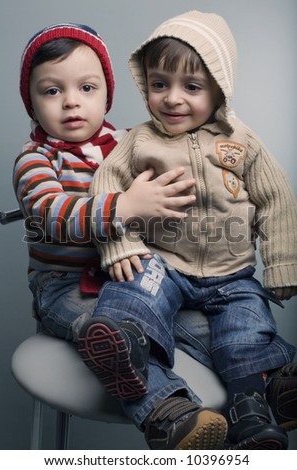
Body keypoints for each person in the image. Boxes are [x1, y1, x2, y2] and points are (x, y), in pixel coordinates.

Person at [13, 22, 230, 450]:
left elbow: (177, 185)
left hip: (137, 278)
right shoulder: (36, 158)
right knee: (110, 334)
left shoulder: (130, 142)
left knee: (210, 323)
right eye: (52, 91)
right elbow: (49, 213)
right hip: (66, 287)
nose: (72, 101)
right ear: (32, 103)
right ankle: (167, 412)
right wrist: (125, 206)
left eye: (87, 88)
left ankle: (267, 382)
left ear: (107, 94)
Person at [86, 11, 297, 450]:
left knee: (245, 330)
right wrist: (120, 243)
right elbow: (105, 184)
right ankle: (122, 341)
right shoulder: (141, 140)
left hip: (233, 275)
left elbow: (276, 198)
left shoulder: (241, 140)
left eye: (192, 87)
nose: (172, 99)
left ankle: (251, 418)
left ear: (219, 88)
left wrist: (282, 263)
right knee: (132, 288)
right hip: (165, 261)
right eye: (159, 84)